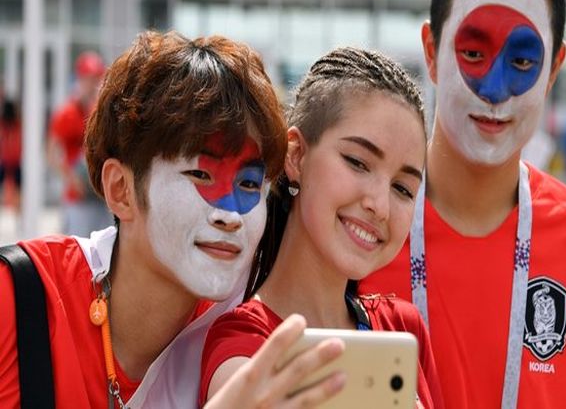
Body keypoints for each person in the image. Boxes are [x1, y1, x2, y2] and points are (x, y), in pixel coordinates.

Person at [1, 31, 346, 408]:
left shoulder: (243, 339)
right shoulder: (18, 298)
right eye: (201, 175)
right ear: (121, 189)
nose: (230, 215)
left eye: (249, 183)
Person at [360, 0, 566, 407]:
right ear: (431, 52)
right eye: (474, 54)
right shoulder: (365, 226)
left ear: (553, 69)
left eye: (521, 62)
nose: (494, 91)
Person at [200, 47, 444, 408]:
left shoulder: (402, 331)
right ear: (296, 155)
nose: (380, 204)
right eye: (358, 162)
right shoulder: (246, 344)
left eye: (403, 188)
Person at [48, 50, 114, 236]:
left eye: (97, 78)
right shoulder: (67, 113)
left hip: (101, 197)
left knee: (106, 256)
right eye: (89, 78)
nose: (93, 84)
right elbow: (51, 153)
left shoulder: (102, 112)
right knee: (78, 253)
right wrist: (71, 179)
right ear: (80, 79)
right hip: (79, 197)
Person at [0, 100, 22, 210]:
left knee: (18, 187)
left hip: (9, 160)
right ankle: (17, 209)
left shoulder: (14, 124)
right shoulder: (17, 124)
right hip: (11, 160)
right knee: (18, 188)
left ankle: (17, 208)